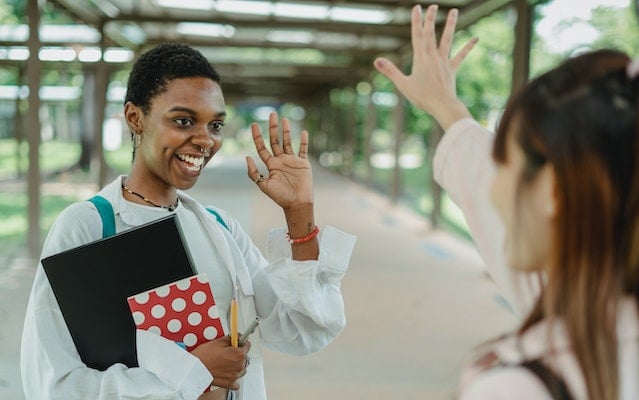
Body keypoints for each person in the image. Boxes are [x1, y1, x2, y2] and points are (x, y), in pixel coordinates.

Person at [21, 43, 356, 400]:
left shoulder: (218, 229)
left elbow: (302, 329)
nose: (204, 140)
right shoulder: (87, 227)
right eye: (183, 121)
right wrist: (190, 374)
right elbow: (53, 384)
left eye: (215, 125)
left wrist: (299, 214)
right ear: (135, 118)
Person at [375, 4, 639, 399]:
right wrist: (447, 108)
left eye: (504, 164)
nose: (494, 190)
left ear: (553, 191)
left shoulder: (519, 386)